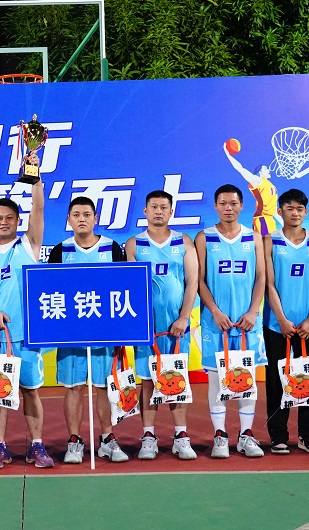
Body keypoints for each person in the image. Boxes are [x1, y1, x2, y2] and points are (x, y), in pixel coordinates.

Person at [0, 152, 55, 469]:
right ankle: (0, 448)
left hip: (28, 335)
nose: (3, 222)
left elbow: (39, 208)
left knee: (31, 392)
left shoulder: (29, 246)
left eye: (9, 217)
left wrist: (35, 175)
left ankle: (36, 446)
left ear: (17, 220)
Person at [48, 195, 129, 464]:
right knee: (74, 387)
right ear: (68, 220)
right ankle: (74, 441)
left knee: (104, 386)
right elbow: (50, 290)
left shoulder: (113, 248)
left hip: (104, 332)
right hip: (71, 334)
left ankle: (107, 439)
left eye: (86, 214)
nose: (81, 219)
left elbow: (124, 287)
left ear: (95, 219)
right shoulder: (59, 251)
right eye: (76, 215)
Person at [125, 190, 198, 461]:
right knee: (148, 381)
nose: (158, 211)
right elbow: (131, 286)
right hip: (147, 328)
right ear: (145, 211)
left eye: (163, 207)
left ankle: (181, 436)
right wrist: (139, 323)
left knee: (177, 379)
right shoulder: (134, 244)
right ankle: (148, 436)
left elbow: (192, 281)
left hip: (177, 327)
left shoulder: (184, 241)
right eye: (153, 207)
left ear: (171, 211)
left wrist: (184, 317)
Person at [195, 185, 267, 459]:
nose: (228, 208)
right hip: (216, 322)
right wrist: (214, 310)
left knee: (246, 379)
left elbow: (261, 277)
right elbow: (199, 279)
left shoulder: (254, 238)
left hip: (247, 321)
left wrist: (253, 311)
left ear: (241, 205)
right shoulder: (205, 238)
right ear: (215, 205)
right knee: (216, 379)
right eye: (223, 203)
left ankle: (246, 434)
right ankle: (220, 435)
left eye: (233, 203)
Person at [263, 189, 309, 455]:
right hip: (277, 325)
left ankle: (308, 436)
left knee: (308, 379)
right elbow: (269, 283)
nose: (295, 213)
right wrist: (281, 319)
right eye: (289, 208)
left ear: (306, 212)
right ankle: (278, 436)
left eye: (300, 208)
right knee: (276, 382)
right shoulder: (270, 241)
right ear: (280, 211)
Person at [225, 143, 278, 236]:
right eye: (265, 169)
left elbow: (273, 209)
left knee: (272, 244)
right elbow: (240, 168)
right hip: (262, 218)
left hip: (270, 220)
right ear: (260, 172)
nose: (268, 170)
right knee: (265, 243)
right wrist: (228, 155)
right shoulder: (258, 180)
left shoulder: (270, 185)